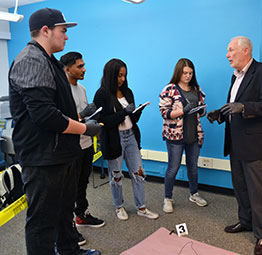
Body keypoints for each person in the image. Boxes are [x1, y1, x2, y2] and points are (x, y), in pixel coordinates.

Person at [9, 8, 101, 255]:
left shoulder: (50, 61)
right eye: (63, 31)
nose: (67, 37)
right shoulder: (31, 60)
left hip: (62, 153)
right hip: (43, 157)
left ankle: (70, 250)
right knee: (42, 221)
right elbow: (44, 115)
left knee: (63, 211)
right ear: (46, 31)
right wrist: (85, 128)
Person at [207, 36, 262, 255]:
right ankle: (245, 221)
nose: (227, 55)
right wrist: (221, 114)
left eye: (231, 50)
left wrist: (244, 107)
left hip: (255, 143)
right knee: (240, 187)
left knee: (257, 191)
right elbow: (234, 105)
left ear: (245, 51)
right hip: (235, 142)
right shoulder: (235, 76)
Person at [93, 58, 159, 221]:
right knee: (116, 176)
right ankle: (119, 206)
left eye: (124, 75)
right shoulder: (101, 94)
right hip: (114, 138)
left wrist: (138, 111)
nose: (122, 79)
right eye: (119, 76)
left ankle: (141, 207)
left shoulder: (127, 92)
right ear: (110, 75)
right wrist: (124, 112)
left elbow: (133, 118)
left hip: (131, 136)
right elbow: (104, 122)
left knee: (139, 173)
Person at [60, 52, 105, 246]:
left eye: (83, 65)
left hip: (86, 144)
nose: (84, 69)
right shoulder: (61, 91)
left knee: (82, 183)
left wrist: (92, 117)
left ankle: (82, 215)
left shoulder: (83, 88)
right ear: (67, 69)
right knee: (68, 189)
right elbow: (62, 122)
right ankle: (68, 228)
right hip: (71, 147)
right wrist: (81, 115)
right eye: (80, 66)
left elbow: (85, 117)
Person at [159, 58, 208, 214]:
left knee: (193, 168)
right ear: (178, 72)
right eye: (185, 73)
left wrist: (202, 110)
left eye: (190, 73)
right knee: (173, 168)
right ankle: (168, 198)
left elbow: (203, 109)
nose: (188, 76)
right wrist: (183, 110)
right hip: (175, 137)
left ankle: (194, 194)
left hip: (193, 135)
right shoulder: (170, 89)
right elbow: (164, 113)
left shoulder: (196, 89)